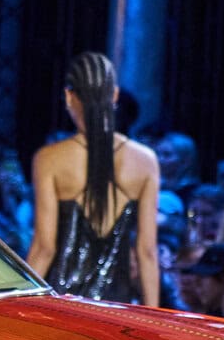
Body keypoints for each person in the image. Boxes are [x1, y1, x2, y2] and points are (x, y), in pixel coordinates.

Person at [26, 51, 162, 305]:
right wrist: (153, 317)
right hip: (117, 306)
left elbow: (44, 248)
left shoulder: (49, 159)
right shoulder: (145, 161)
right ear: (115, 95)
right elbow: (147, 252)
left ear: (69, 96)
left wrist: (19, 307)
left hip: (63, 304)